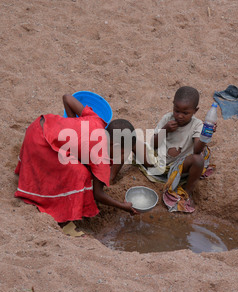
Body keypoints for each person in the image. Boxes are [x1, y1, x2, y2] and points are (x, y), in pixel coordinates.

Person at [14, 94, 138, 225]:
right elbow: (98, 194)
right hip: (39, 144)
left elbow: (67, 98)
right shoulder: (100, 155)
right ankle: (63, 214)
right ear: (116, 146)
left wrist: (74, 132)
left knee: (77, 163)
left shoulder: (97, 120)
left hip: (38, 126)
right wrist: (123, 206)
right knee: (81, 174)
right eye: (121, 152)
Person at [132, 86, 215, 212]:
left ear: (195, 111)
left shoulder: (197, 125)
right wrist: (165, 129)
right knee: (132, 143)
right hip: (159, 161)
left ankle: (187, 192)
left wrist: (205, 135)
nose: (180, 116)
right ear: (173, 106)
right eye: (177, 111)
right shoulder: (167, 119)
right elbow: (153, 144)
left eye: (185, 113)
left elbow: (197, 150)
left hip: (180, 166)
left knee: (198, 160)